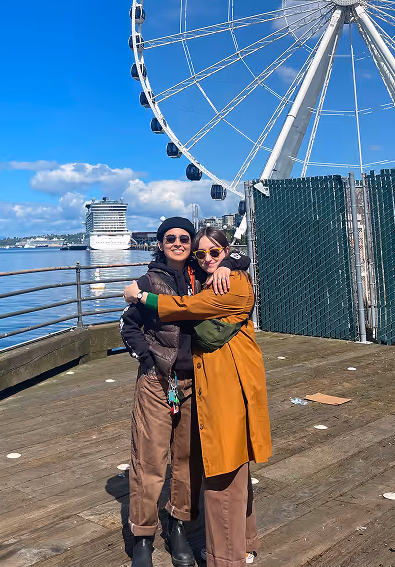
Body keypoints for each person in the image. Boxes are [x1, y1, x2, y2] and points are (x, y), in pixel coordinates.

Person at [124, 227, 272, 567]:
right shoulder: (149, 281)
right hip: (160, 381)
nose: (180, 245)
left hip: (200, 383)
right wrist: (149, 361)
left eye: (184, 239)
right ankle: (143, 537)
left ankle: (178, 526)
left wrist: (231, 262)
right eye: (171, 239)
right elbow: (127, 325)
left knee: (189, 460)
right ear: (161, 244)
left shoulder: (205, 276)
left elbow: (226, 266)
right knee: (149, 458)